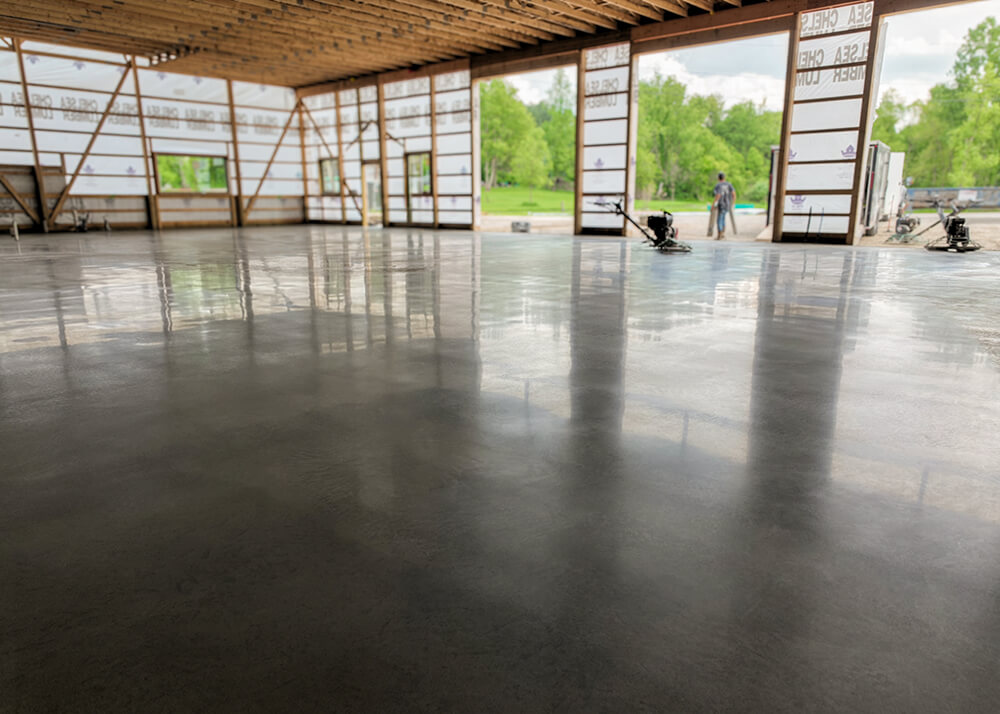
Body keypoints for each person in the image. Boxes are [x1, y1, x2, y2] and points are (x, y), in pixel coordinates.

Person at [712, 172, 735, 240]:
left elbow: (718, 195)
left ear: (718, 178)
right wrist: (733, 203)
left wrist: (713, 205)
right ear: (724, 177)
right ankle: (723, 234)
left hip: (721, 204)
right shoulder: (729, 184)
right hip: (727, 204)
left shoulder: (718, 185)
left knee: (719, 219)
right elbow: (734, 194)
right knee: (723, 218)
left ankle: (720, 235)